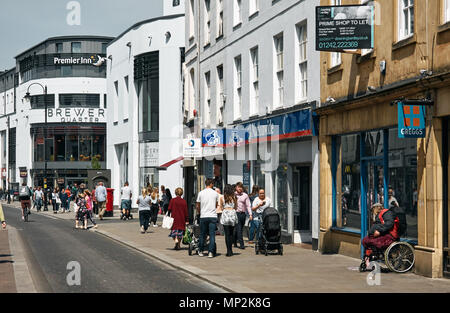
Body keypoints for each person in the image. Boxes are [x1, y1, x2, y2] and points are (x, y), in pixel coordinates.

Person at [362, 203, 400, 269]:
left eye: (373, 210)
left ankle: (373, 258)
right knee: (366, 240)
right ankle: (367, 258)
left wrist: (379, 230)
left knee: (375, 242)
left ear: (376, 208)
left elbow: (389, 223)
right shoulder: (379, 215)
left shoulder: (387, 213)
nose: (372, 212)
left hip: (389, 235)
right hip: (379, 234)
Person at [196, 178, 219, 258]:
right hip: (212, 216)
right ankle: (210, 252)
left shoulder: (201, 193)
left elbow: (198, 205)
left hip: (203, 216)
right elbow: (216, 205)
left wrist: (199, 212)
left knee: (202, 234)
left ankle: (201, 251)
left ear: (206, 184)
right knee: (212, 235)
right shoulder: (215, 193)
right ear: (211, 184)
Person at [220, 185, 238, 257]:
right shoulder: (234, 197)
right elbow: (236, 207)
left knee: (227, 234)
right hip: (232, 213)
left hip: (225, 213)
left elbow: (221, 207)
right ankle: (231, 250)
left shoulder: (222, 197)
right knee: (231, 233)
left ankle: (228, 251)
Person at [233, 182, 252, 250]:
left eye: (241, 187)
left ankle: (234, 241)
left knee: (237, 229)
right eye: (238, 187)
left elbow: (248, 205)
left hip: (243, 214)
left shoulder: (245, 195)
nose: (240, 188)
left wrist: (250, 214)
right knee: (239, 229)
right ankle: (241, 244)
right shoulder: (233, 195)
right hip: (235, 213)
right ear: (236, 187)